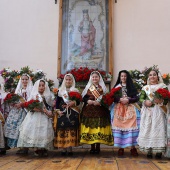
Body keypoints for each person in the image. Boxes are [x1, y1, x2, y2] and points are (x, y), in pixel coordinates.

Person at [17, 79, 54, 156]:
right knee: (35, 131)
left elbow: (50, 106)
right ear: (36, 87)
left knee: (44, 131)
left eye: (43, 85)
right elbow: (28, 106)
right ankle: (36, 148)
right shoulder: (34, 95)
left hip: (44, 116)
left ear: (45, 86)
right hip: (34, 116)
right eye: (39, 85)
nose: (41, 87)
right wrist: (36, 109)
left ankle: (43, 148)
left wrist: (48, 111)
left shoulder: (48, 96)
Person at [80, 71, 113, 153]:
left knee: (99, 128)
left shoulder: (103, 88)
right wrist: (87, 101)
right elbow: (83, 98)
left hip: (100, 110)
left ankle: (98, 146)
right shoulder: (88, 87)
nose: (94, 78)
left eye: (96, 77)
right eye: (93, 77)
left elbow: (106, 98)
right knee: (91, 128)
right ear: (91, 78)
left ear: (99, 78)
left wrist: (100, 102)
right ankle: (92, 147)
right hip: (89, 111)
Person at [137, 70, 168, 159]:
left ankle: (158, 151)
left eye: (154, 75)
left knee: (158, 128)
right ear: (148, 77)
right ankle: (149, 150)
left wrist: (161, 101)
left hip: (158, 111)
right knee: (148, 128)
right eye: (150, 75)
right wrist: (145, 102)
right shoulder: (145, 88)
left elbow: (166, 99)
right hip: (148, 111)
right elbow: (141, 98)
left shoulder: (163, 86)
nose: (152, 76)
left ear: (158, 76)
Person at [110, 70, 140, 156]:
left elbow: (136, 98)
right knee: (119, 126)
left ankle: (133, 147)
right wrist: (119, 99)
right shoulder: (117, 87)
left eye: (125, 76)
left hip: (130, 107)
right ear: (119, 77)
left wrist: (128, 99)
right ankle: (121, 148)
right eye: (122, 76)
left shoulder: (131, 86)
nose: (123, 77)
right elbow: (112, 97)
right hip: (119, 108)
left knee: (132, 126)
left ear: (127, 77)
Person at [4, 74, 33, 154]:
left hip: (27, 111)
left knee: (24, 129)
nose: (24, 81)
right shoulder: (18, 90)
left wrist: (22, 104)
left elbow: (32, 101)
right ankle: (20, 147)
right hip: (17, 111)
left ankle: (25, 147)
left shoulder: (31, 89)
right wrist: (13, 103)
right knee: (16, 128)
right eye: (23, 79)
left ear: (28, 80)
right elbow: (15, 99)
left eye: (26, 79)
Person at [54, 74, 80, 156]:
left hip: (72, 112)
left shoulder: (75, 90)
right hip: (62, 112)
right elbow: (57, 103)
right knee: (62, 127)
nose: (68, 81)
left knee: (71, 127)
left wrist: (74, 102)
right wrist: (57, 111)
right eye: (67, 79)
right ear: (64, 81)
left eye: (70, 80)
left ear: (72, 81)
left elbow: (78, 101)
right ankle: (63, 148)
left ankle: (69, 148)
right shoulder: (60, 91)